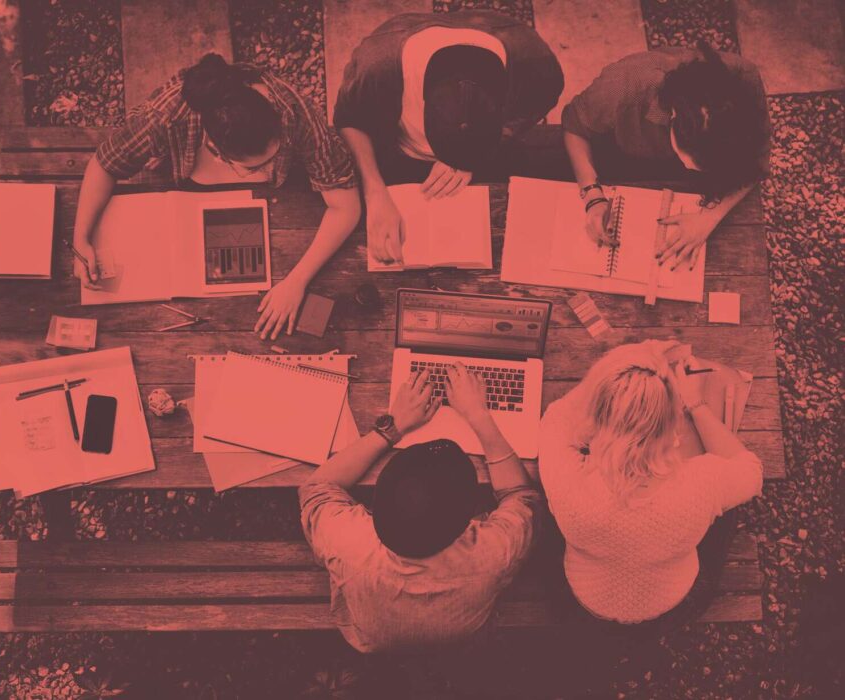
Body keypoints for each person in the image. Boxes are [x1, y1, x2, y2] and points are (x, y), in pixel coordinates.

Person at [72, 53, 360, 340]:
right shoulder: (165, 117)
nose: (273, 169)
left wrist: (296, 283)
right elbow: (103, 164)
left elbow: (346, 207)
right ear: (216, 150)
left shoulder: (295, 113)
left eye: (279, 152)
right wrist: (81, 238)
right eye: (257, 167)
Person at [299, 364, 541, 652]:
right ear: (470, 520)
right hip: (462, 636)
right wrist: (478, 415)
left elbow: (317, 487)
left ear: (376, 506)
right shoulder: (493, 552)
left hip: (370, 636)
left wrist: (393, 428)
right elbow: (522, 497)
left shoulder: (350, 543)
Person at [536, 340, 763, 629]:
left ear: (596, 415)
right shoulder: (703, 481)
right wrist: (696, 403)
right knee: (728, 509)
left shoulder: (569, 480)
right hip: (675, 605)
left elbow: (556, 416)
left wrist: (622, 367)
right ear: (672, 424)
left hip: (579, 603)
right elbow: (751, 472)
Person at [333, 11, 563, 265]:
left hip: (486, 156)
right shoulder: (376, 66)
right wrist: (375, 193)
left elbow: (538, 102)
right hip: (397, 152)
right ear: (421, 94)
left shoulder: (534, 61)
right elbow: (349, 120)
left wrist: (471, 158)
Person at [562, 44, 770, 271]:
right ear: (673, 113)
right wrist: (592, 194)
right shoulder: (626, 83)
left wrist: (709, 218)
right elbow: (575, 126)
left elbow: (756, 165)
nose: (689, 169)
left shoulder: (744, 85)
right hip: (620, 155)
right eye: (688, 158)